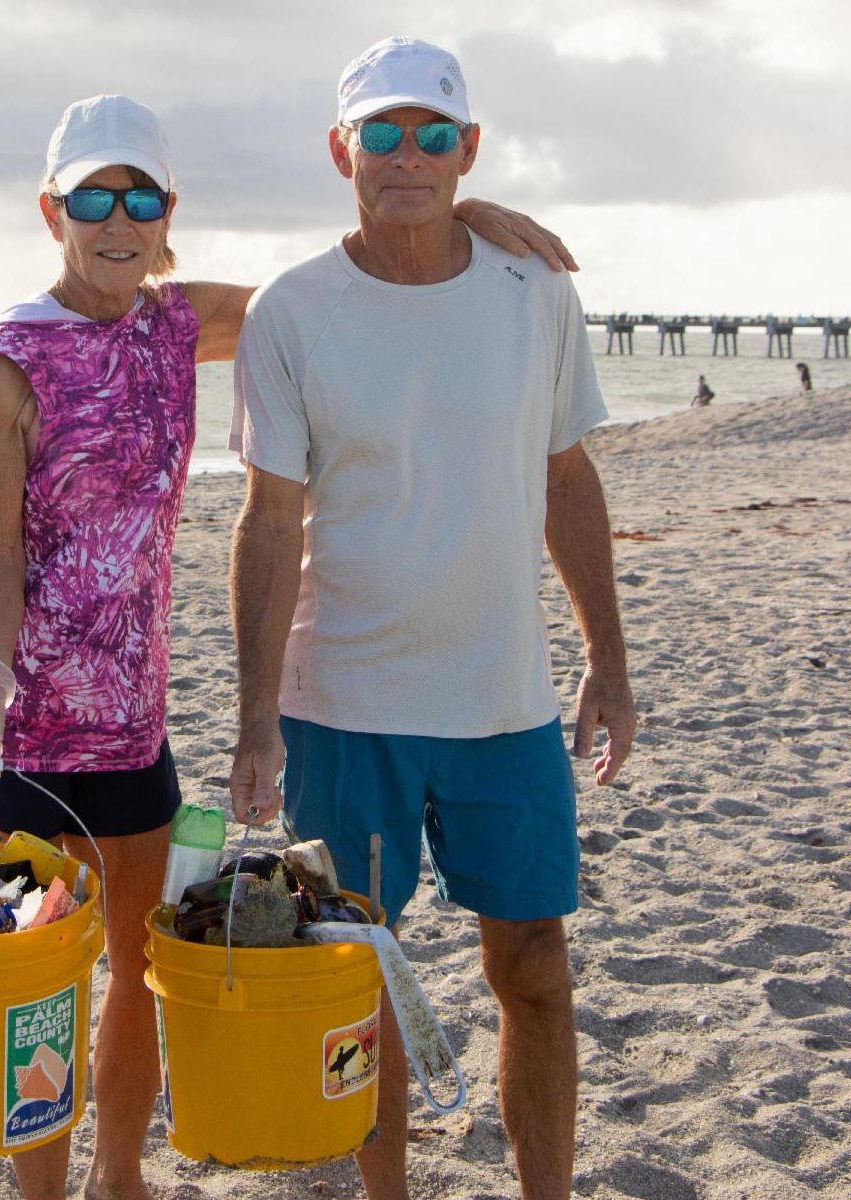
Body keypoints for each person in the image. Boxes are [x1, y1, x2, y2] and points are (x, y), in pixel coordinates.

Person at [0, 92, 584, 1200]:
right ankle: (41, 1192)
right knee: (36, 984)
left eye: (138, 195)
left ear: (166, 209)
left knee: (138, 971)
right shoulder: (5, 364)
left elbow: (331, 284)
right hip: (16, 724)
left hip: (131, 723)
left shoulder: (177, 323)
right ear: (53, 212)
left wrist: (467, 214)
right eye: (93, 197)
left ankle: (119, 1176)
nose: (116, 218)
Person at [227, 38, 636, 1200]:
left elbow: (565, 480)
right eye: (382, 134)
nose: (406, 156)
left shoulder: (536, 290)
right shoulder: (292, 309)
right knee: (362, 975)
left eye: (432, 134)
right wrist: (257, 720)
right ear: (339, 149)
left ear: (468, 149)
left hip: (504, 702)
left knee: (537, 969)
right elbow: (265, 523)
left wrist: (607, 658)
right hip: (344, 705)